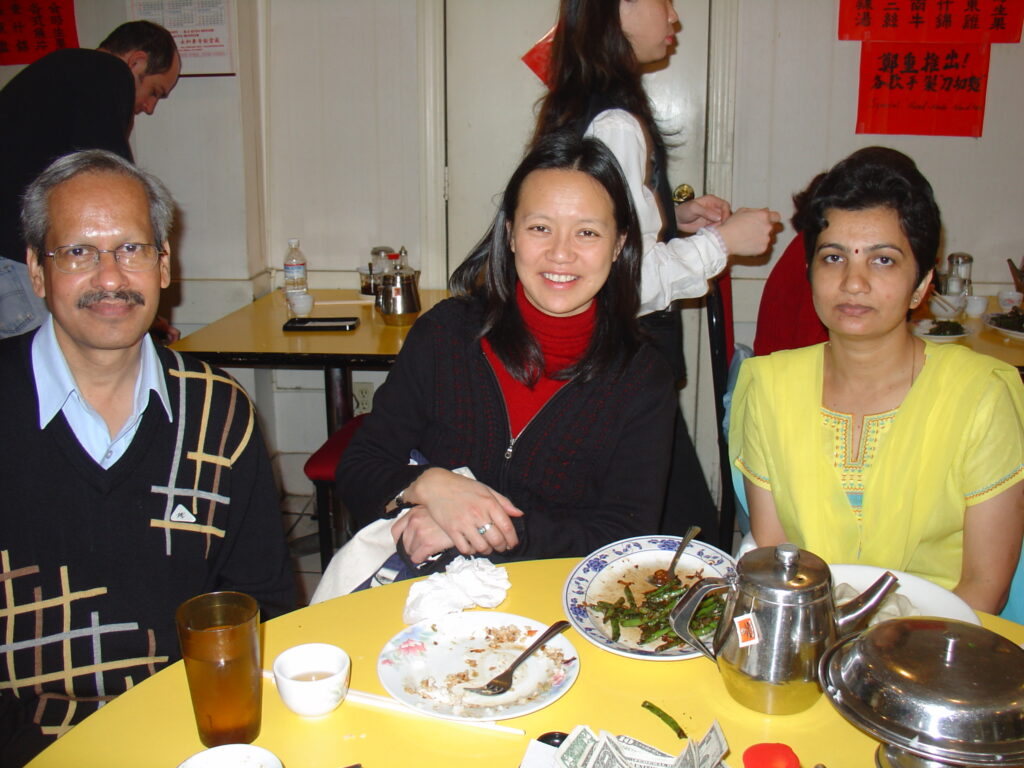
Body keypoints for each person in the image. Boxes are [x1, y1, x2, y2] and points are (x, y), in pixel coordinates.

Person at [0, 150, 294, 764]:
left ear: (164, 264)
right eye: (78, 252)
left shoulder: (219, 411)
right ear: (35, 270)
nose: (109, 278)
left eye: (131, 249)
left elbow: (262, 603)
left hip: (191, 734)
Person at [336, 132, 676, 570]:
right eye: (540, 228)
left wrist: (482, 530)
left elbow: (626, 535)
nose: (560, 253)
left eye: (587, 232)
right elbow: (358, 470)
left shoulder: (642, 379)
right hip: (426, 592)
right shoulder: (445, 335)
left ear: (619, 244)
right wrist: (430, 485)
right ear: (511, 234)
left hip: (553, 600)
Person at [523, 0, 781, 546]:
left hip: (588, 363)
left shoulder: (581, 103)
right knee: (682, 539)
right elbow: (622, 279)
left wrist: (671, 217)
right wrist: (720, 244)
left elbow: (610, 234)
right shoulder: (615, 120)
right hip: (620, 365)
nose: (675, 18)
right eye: (663, 1)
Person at [730, 146, 1024, 613]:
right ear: (809, 273)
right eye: (833, 258)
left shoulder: (983, 394)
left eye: (883, 260)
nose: (853, 282)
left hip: (939, 649)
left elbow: (985, 586)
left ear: (923, 285)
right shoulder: (769, 386)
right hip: (811, 647)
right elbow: (779, 563)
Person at [0, 20, 181, 341]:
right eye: (154, 91)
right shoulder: (106, 72)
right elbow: (111, 187)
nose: (149, 107)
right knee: (48, 380)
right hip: (13, 262)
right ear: (135, 61)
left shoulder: (56, 73)